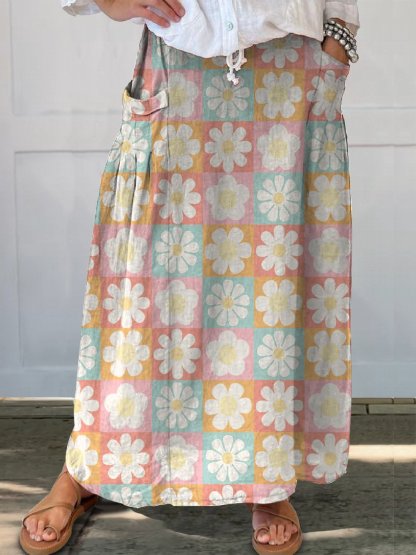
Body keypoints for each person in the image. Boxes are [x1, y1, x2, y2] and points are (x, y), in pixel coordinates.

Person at [19, 1, 360, 554]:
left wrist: (340, 35)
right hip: (179, 56)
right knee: (139, 291)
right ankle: (88, 466)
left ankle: (266, 477)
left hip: (292, 69)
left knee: (272, 286)